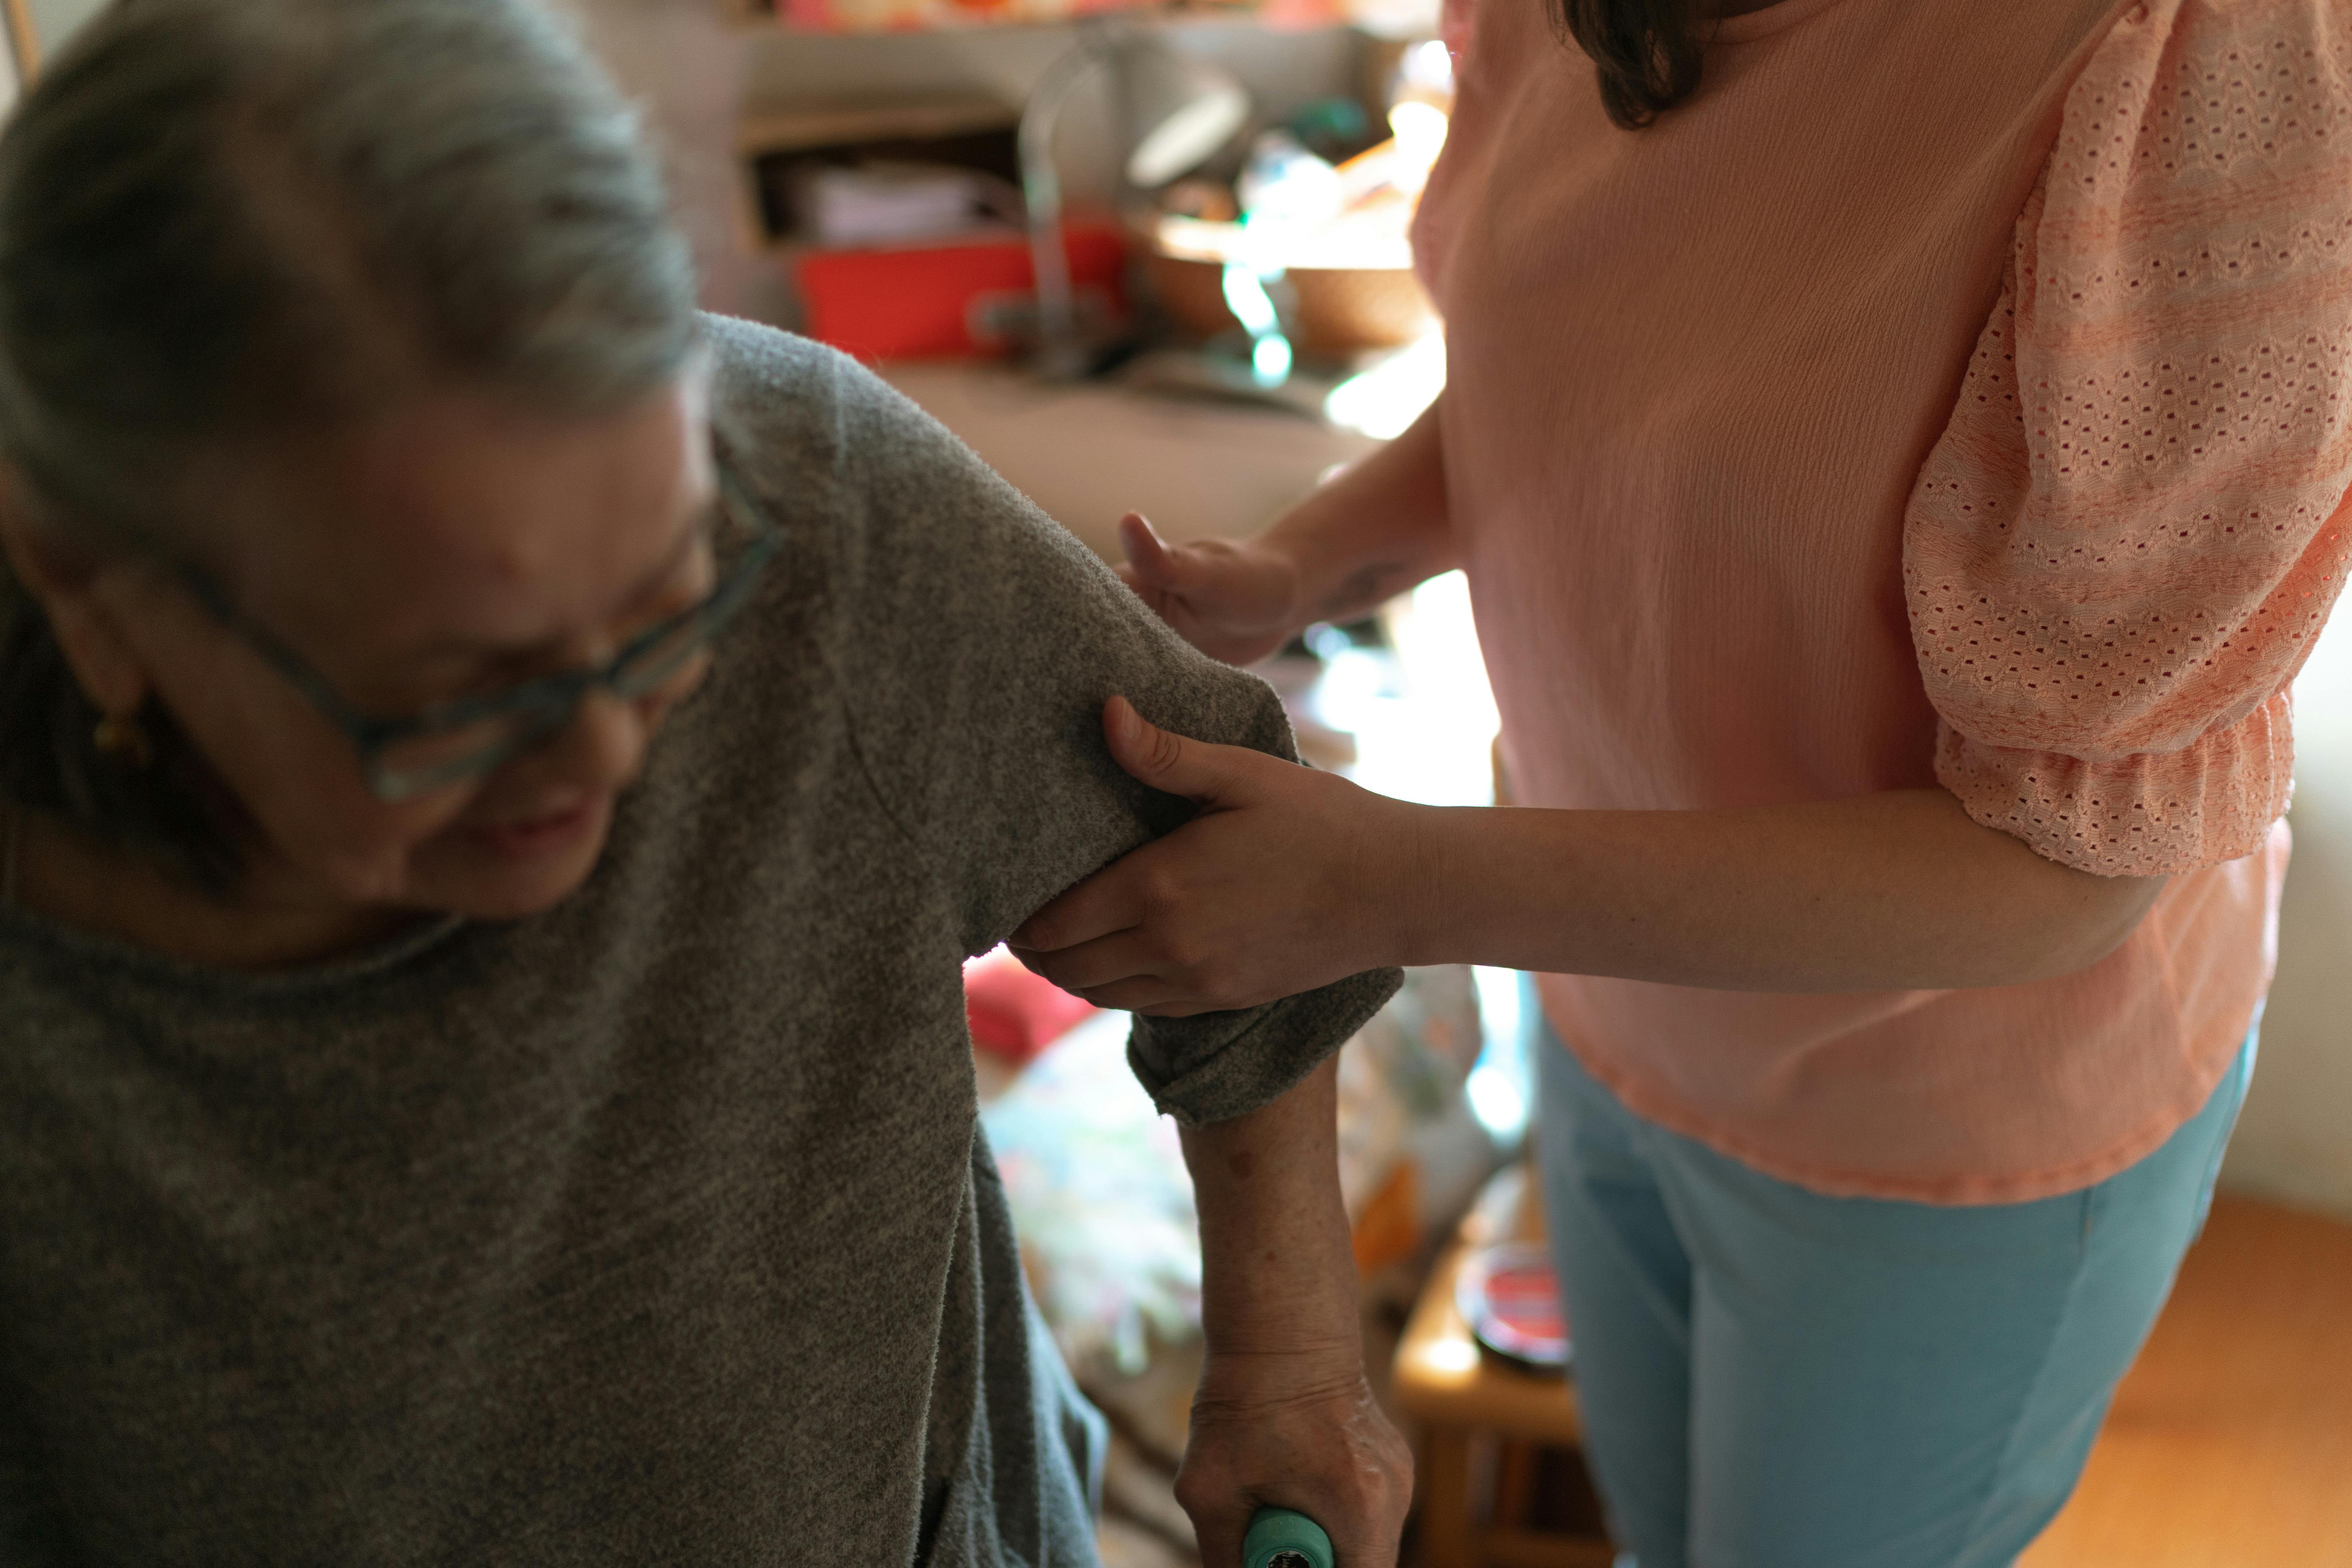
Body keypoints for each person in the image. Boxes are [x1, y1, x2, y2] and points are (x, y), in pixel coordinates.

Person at [0, 2, 1414, 1562]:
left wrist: (1285, 1369)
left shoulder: (812, 494)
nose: (609, 758)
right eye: (465, 697)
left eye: (668, 613)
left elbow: (1246, 872)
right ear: (91, 595)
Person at [1010, 0, 2352, 1563]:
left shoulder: (2206, 63)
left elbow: (2058, 869)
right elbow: (1577, 379)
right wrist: (1299, 565)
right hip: (1610, 1020)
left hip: (1946, 1120)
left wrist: (1382, 885)